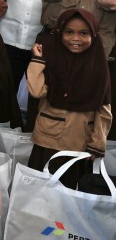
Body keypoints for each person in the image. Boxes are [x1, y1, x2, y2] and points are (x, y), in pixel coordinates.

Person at [26, 10, 111, 188]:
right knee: (39, 194)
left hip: (79, 145)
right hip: (47, 142)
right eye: (69, 32)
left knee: (68, 198)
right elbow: (36, 91)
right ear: (59, 33)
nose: (75, 38)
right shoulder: (51, 58)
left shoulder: (97, 66)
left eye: (84, 33)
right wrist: (37, 60)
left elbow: (104, 109)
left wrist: (97, 145)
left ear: (94, 35)